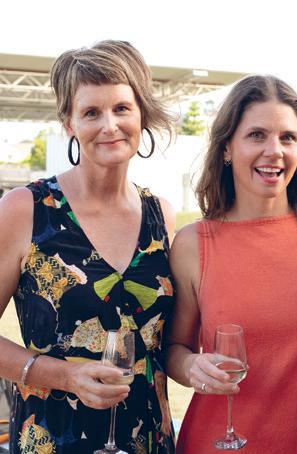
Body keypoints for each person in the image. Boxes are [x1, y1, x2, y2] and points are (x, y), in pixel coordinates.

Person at [0, 40, 177, 453]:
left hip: (149, 439)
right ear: (69, 124)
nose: (109, 125)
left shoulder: (162, 216)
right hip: (54, 439)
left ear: (141, 114)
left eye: (122, 108)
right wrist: (65, 376)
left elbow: (172, 345)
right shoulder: (26, 209)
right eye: (91, 112)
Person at [166, 75, 297, 453]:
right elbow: (174, 347)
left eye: (287, 137)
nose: (275, 151)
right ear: (226, 147)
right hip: (221, 444)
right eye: (257, 135)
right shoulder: (192, 244)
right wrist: (191, 367)